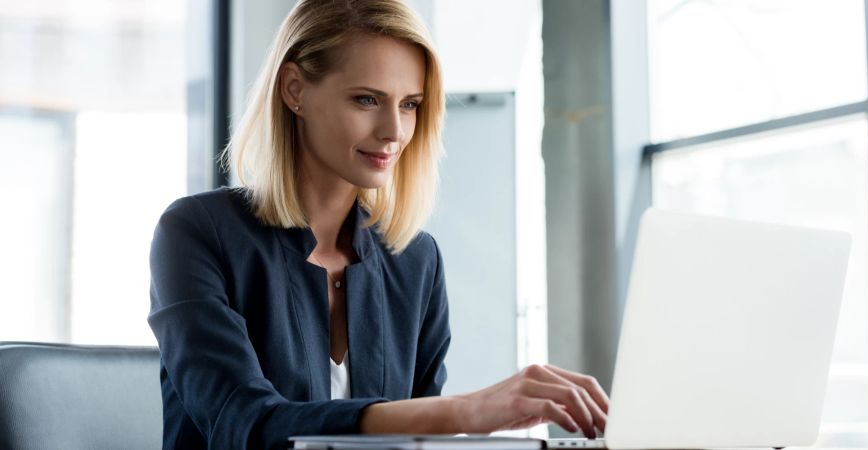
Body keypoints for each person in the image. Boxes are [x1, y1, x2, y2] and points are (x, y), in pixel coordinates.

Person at [148, 0, 609, 448]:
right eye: (367, 99)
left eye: (410, 104)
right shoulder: (195, 233)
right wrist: (465, 412)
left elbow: (417, 442)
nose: (394, 130)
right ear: (294, 90)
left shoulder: (416, 260)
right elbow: (244, 425)